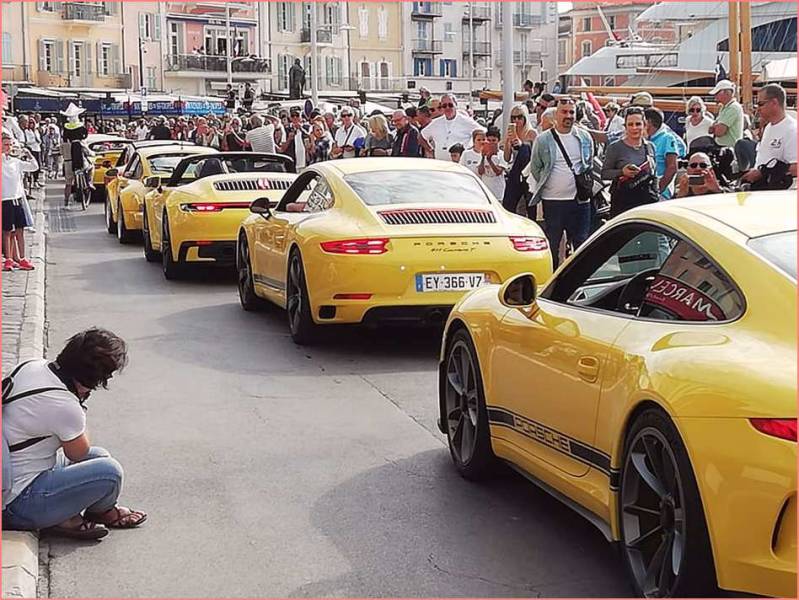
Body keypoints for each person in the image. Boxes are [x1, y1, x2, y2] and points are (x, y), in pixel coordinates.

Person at [2, 328, 146, 539]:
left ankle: (71, 515)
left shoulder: (31, 366)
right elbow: (77, 453)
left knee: (99, 456)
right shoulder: (65, 405)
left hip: (14, 471)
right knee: (110, 472)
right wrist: (79, 407)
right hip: (18, 501)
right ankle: (93, 513)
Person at [529, 98, 595, 267]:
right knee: (552, 244)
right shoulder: (543, 140)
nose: (568, 116)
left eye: (571, 112)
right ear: (556, 115)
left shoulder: (584, 137)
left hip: (579, 201)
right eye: (564, 112)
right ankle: (553, 281)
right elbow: (536, 168)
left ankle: (577, 281)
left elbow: (589, 163)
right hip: (553, 201)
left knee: (581, 244)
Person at [601, 107, 659, 216]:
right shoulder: (615, 147)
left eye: (638, 124)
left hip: (645, 203)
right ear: (625, 126)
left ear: (644, 125)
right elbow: (604, 173)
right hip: (623, 203)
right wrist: (622, 172)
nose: (634, 128)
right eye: (630, 124)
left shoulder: (650, 147)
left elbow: (654, 174)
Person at [741, 83, 797, 186]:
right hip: (764, 188)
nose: (758, 108)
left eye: (760, 104)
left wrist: (763, 172)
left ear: (774, 102)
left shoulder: (793, 130)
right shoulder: (769, 127)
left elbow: (796, 168)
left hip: (782, 193)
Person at [2, 131, 38, 271]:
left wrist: (28, 154)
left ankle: (22, 258)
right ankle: (9, 259)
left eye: (10, 145)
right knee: (6, 231)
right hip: (5, 200)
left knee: (20, 230)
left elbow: (34, 167)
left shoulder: (16, 162)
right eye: (5, 144)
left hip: (17, 199)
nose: (8, 147)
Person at [421, 94, 484, 161]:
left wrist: (473, 149)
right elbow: (421, 136)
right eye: (444, 106)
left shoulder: (466, 121)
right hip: (440, 164)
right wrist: (430, 150)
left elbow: (483, 133)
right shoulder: (436, 122)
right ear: (441, 107)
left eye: (450, 105)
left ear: (456, 104)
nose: (447, 108)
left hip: (460, 164)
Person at [644, 107, 686, 200]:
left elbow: (672, 167)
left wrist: (657, 190)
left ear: (648, 122)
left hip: (660, 193)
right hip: (644, 191)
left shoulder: (667, 138)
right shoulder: (645, 139)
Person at [503, 104, 536, 213]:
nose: (516, 120)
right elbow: (507, 158)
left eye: (519, 117)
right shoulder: (511, 133)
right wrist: (508, 141)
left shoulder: (531, 133)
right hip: (516, 172)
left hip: (529, 172)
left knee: (530, 206)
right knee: (508, 203)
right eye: (513, 118)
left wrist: (522, 145)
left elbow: (535, 154)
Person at [460, 128, 506, 201]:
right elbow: (480, 172)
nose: (491, 143)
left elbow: (498, 172)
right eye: (489, 140)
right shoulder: (482, 153)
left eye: (494, 140)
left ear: (498, 141)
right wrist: (482, 157)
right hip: (485, 191)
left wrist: (489, 160)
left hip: (497, 192)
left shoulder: (502, 154)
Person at [707, 79, 743, 150]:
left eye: (717, 93)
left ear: (727, 93)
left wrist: (715, 127)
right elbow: (711, 130)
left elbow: (719, 132)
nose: (715, 96)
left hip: (730, 149)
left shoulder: (733, 108)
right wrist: (716, 127)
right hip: (724, 148)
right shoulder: (724, 107)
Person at [23, 118, 42, 188]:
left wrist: (38, 141)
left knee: (38, 165)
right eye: (30, 123)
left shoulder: (36, 131)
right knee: (31, 165)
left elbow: (39, 140)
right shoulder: (27, 131)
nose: (31, 124)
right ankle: (30, 181)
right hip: (31, 149)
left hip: (37, 149)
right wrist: (34, 141)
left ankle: (36, 180)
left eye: (33, 123)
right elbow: (27, 141)